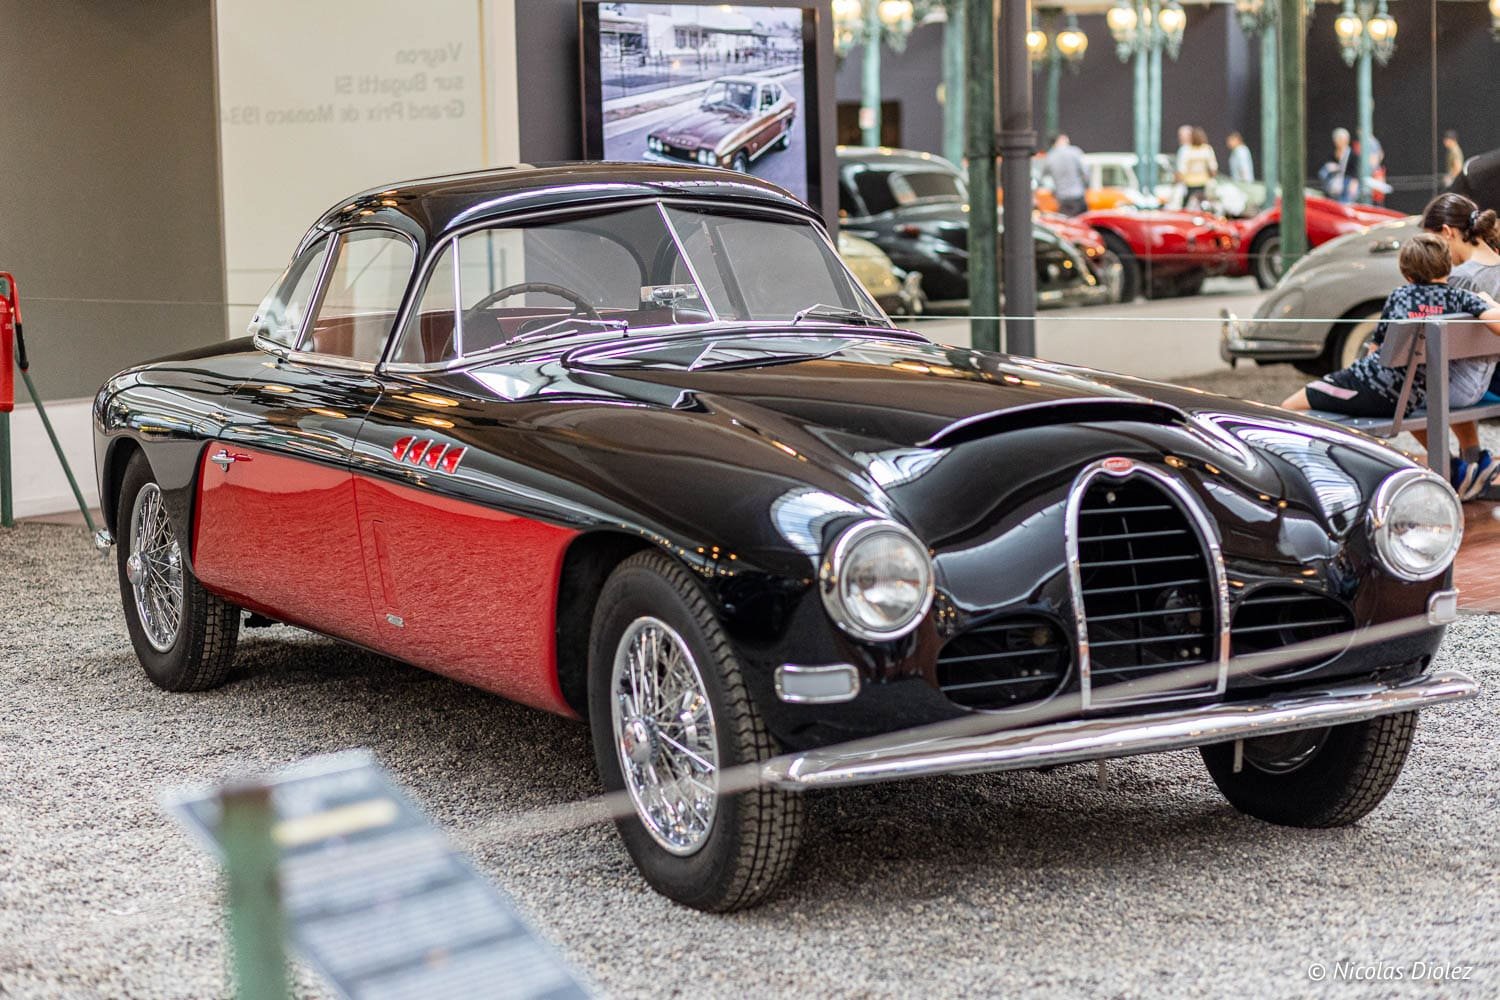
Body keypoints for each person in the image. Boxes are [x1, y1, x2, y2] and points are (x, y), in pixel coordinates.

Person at [1282, 233, 1500, 501]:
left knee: (1289, 408)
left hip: (1373, 388)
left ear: (1408, 273)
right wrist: (1489, 303)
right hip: (1411, 396)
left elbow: (1376, 351)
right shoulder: (1461, 299)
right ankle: (1456, 469)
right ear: (1447, 266)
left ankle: (1300, 482)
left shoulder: (1400, 297)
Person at [1416, 193, 1500, 496]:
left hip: (1471, 384)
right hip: (1489, 378)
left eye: (1433, 241)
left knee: (1401, 394)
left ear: (1448, 233)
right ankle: (1474, 456)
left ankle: (1455, 470)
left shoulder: (1458, 279)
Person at [1041, 133, 1089, 217]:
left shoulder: (1050, 156)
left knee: (1066, 222)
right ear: (1060, 139)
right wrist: (1086, 186)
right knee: (1080, 224)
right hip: (1077, 194)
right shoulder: (1075, 152)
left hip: (1062, 197)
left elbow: (1044, 178)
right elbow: (1085, 172)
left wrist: (1054, 191)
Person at [1178, 127, 1217, 210]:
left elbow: (1182, 169)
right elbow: (1213, 168)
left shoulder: (1187, 150)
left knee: (1186, 207)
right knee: (1204, 207)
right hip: (1203, 182)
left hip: (1189, 183)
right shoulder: (1207, 149)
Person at [1320, 128, 1360, 203]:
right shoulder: (1332, 155)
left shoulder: (1352, 155)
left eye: (1341, 139)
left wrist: (1354, 183)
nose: (1338, 141)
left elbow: (1355, 171)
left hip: (1347, 184)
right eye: (1337, 139)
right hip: (1333, 184)